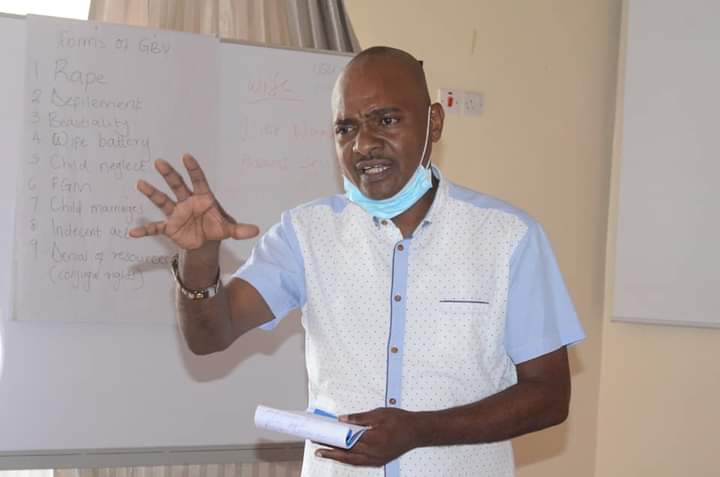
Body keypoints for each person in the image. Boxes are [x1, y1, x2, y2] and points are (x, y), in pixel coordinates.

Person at [130, 46, 585, 477]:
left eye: (385, 120)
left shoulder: (508, 238)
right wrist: (200, 256)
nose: (363, 144)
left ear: (435, 123)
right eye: (345, 129)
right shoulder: (305, 234)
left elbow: (548, 396)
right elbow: (211, 334)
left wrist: (420, 430)